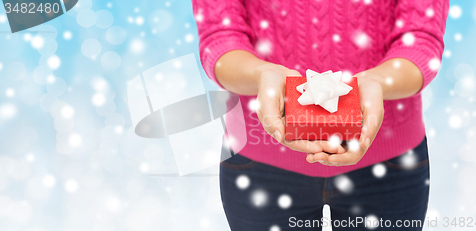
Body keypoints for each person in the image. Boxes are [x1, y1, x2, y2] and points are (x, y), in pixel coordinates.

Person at [192, 0, 448, 230]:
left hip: (390, 164)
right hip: (258, 159)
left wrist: (378, 82)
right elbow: (220, 37)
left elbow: (421, 38)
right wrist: (261, 76)